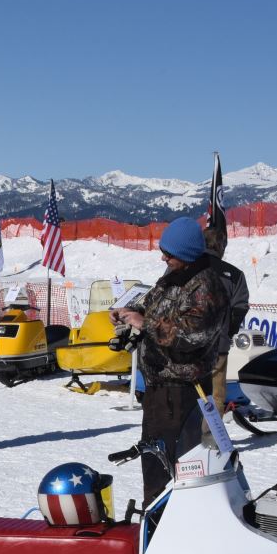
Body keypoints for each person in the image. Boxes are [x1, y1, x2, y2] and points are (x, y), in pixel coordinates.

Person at [112, 216, 230, 504]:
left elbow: (191, 336)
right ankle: (156, 513)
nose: (163, 257)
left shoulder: (206, 288)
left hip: (180, 390)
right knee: (154, 458)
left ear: (188, 254)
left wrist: (145, 322)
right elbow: (154, 302)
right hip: (160, 387)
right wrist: (129, 311)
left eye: (170, 253)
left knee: (167, 462)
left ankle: (163, 518)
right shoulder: (175, 274)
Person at [203, 209, 250, 419]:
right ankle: (211, 441)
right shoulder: (235, 274)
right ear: (221, 247)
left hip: (185, 344)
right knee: (216, 395)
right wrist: (228, 332)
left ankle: (185, 439)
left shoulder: (185, 266)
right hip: (218, 345)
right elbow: (240, 307)